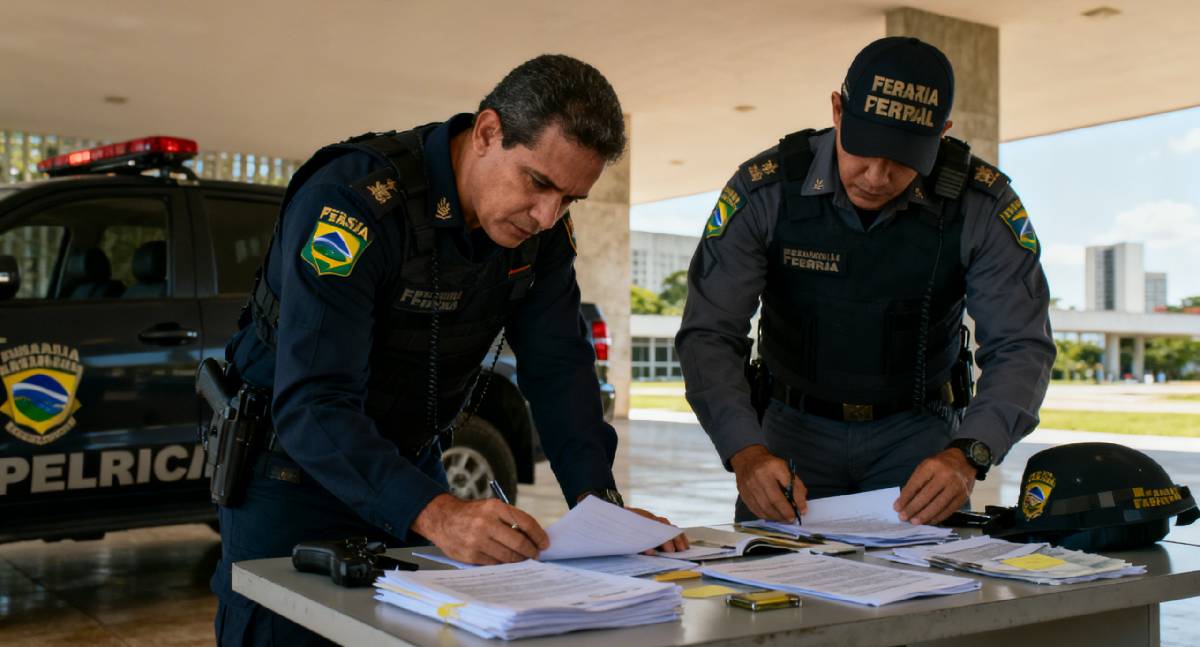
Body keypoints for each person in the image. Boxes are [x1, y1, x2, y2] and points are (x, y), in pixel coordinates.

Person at [211, 54, 686, 645]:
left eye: (570, 199)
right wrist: (438, 512)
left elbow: (560, 370)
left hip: (410, 465)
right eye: (538, 183)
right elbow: (313, 403)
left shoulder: (538, 234)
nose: (547, 216)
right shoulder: (353, 203)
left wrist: (604, 509)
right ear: (487, 132)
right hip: (291, 477)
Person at [676, 37, 1055, 528]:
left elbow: (1021, 344)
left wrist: (969, 453)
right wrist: (744, 451)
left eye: (902, 158)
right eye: (863, 149)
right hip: (789, 436)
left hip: (919, 440)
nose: (876, 176)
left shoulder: (981, 203)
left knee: (926, 576)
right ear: (837, 110)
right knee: (775, 573)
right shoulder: (767, 190)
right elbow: (710, 332)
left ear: (942, 134)